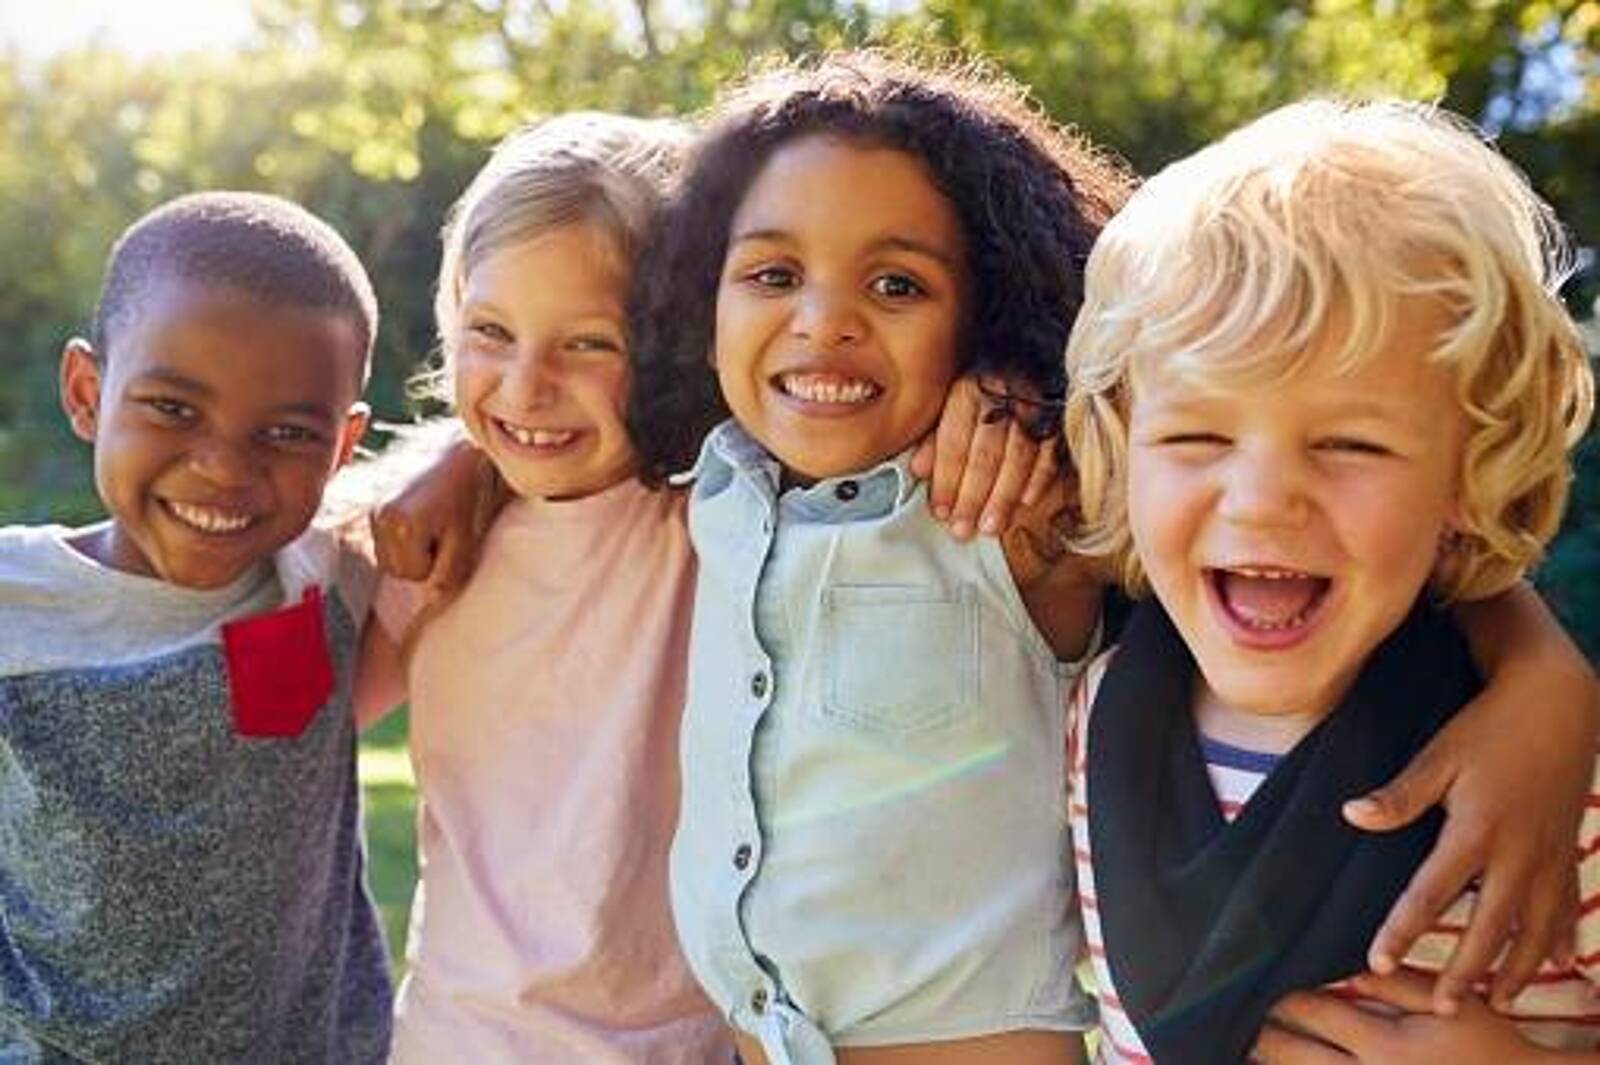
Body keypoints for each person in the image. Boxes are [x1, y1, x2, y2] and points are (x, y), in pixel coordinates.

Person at [1060, 99, 1597, 1063]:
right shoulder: (1085, 719)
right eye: (1197, 435)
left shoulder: (1559, 787)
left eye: (1350, 442)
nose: (1262, 501)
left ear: (1465, 478)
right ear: (1123, 441)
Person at [353, 111, 737, 1064]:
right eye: (491, 331)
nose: (524, 389)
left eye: (588, 344)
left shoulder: (724, 514)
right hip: (459, 1042)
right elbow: (279, 730)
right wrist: (455, 453)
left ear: (672, 344)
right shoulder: (417, 536)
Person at [0, 192, 392, 1061]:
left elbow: (497, 454)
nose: (224, 468)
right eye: (173, 409)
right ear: (85, 391)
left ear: (342, 446)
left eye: (288, 432)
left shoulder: (332, 573)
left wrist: (444, 481)